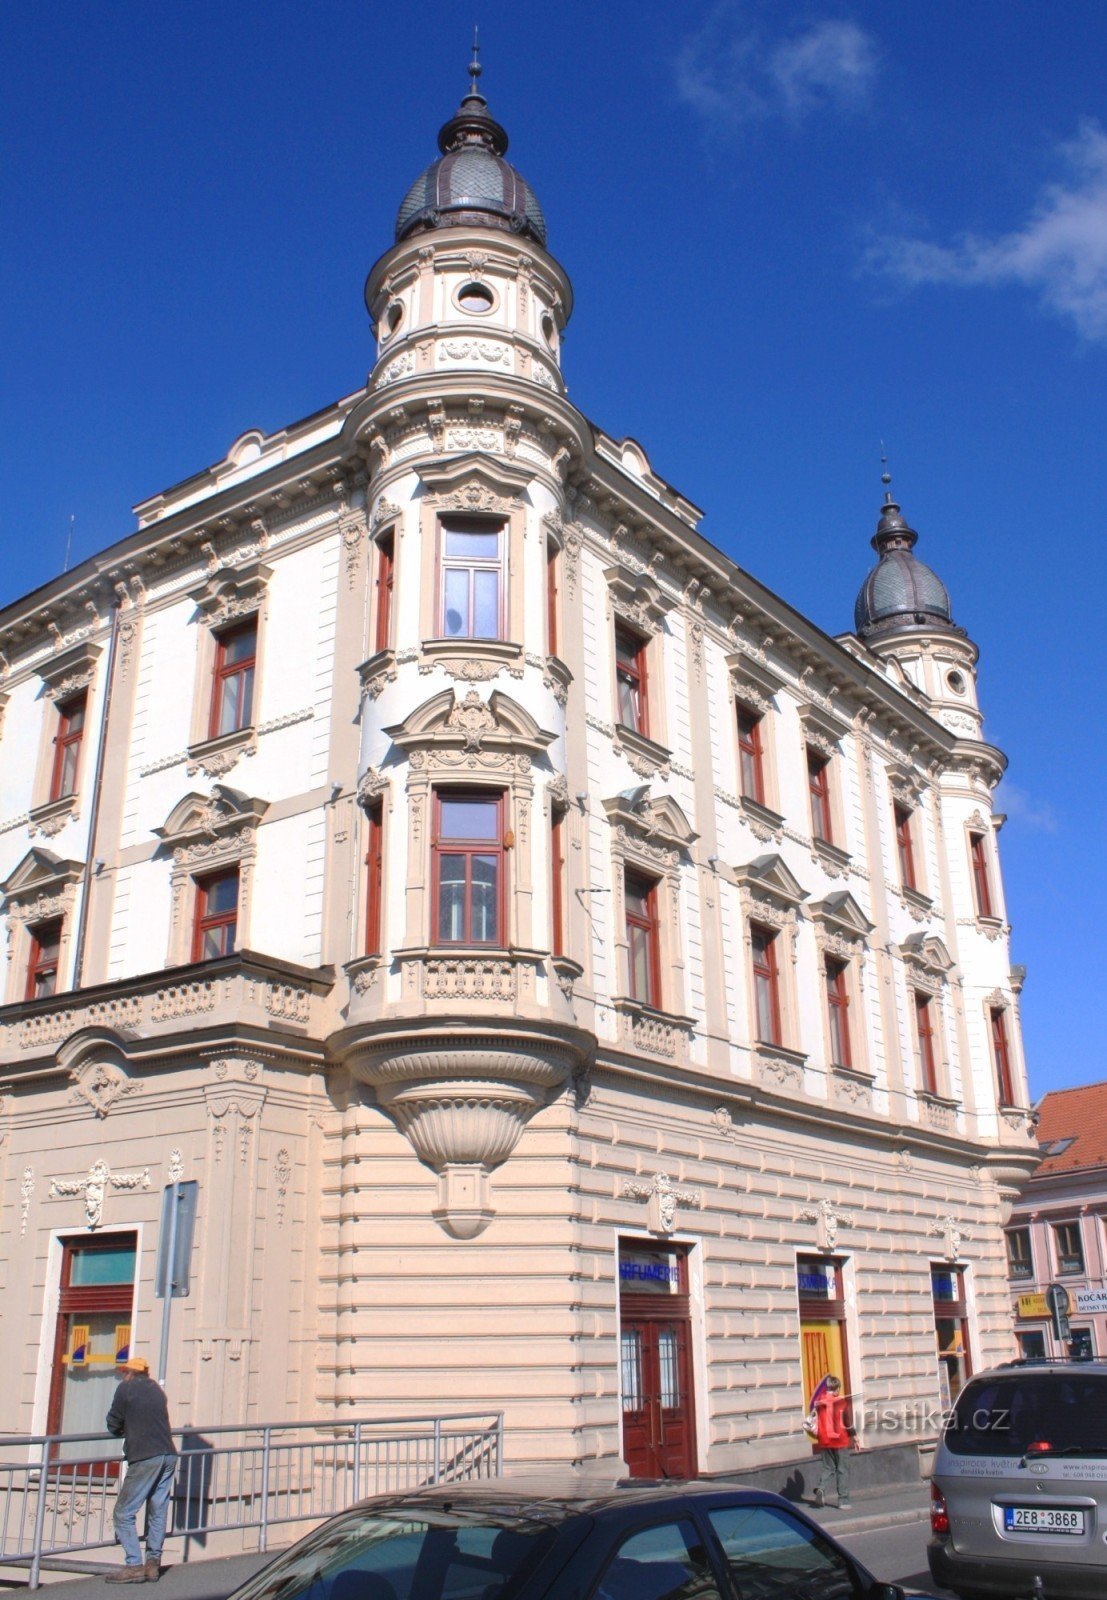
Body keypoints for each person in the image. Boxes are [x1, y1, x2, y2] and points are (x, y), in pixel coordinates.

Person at [105, 1357, 178, 1582]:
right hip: (168, 1454)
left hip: (146, 1456)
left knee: (123, 1512)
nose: (122, 1375)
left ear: (129, 1373)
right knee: (158, 1509)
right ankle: (153, 1563)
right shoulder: (156, 1390)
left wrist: (122, 1430)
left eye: (124, 1372)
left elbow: (113, 1422)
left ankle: (134, 1565)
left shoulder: (126, 1389)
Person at [810, 1375, 858, 1509]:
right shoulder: (841, 1402)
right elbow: (847, 1422)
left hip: (824, 1440)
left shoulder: (819, 1401)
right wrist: (854, 1437)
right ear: (836, 1388)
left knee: (828, 1468)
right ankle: (843, 1501)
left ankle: (821, 1488)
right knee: (842, 1469)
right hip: (839, 1440)